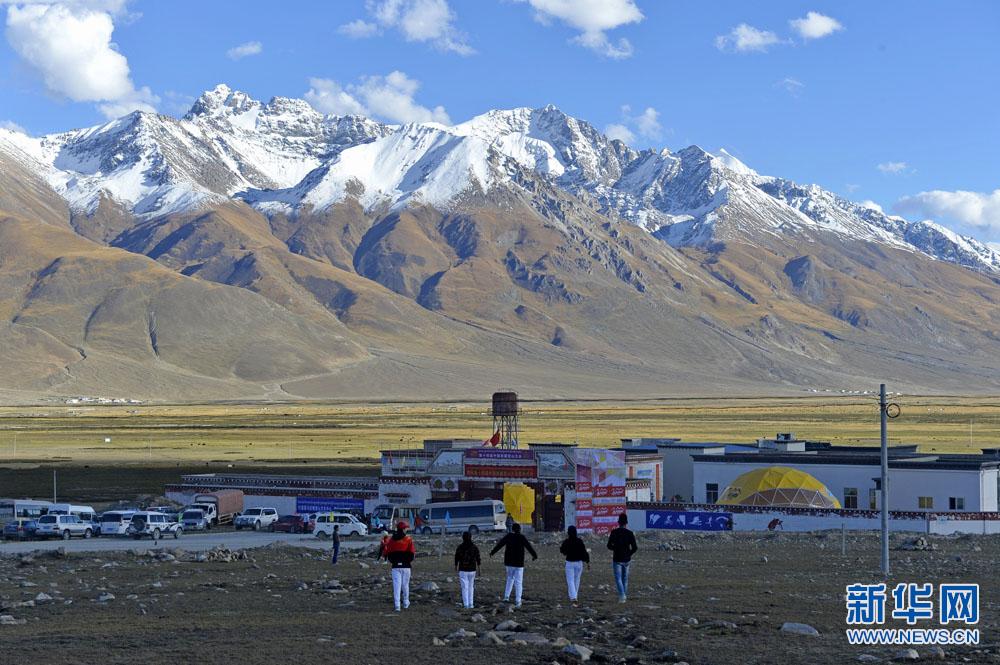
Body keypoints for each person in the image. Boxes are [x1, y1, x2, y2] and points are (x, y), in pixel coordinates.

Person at [489, 522, 537, 608]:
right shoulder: (522, 537)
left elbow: (500, 544)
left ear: (512, 529)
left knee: (510, 579)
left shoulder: (509, 536)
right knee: (518, 582)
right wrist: (534, 555)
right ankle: (518, 601)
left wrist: (493, 552)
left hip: (509, 562)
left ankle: (506, 597)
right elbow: (529, 547)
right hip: (519, 563)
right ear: (519, 529)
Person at [382, 521, 416, 611]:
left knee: (396, 586)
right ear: (404, 529)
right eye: (406, 528)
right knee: (405, 585)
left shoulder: (392, 540)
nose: (407, 529)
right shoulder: (408, 539)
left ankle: (397, 605)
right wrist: (408, 560)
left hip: (395, 566)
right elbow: (412, 553)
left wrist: (392, 560)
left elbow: (387, 552)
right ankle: (405, 602)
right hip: (406, 566)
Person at [606, 513, 638, 603]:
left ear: (618, 522)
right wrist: (629, 554)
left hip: (617, 558)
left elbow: (608, 545)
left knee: (618, 578)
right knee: (625, 579)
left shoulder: (614, 532)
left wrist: (615, 549)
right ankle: (624, 596)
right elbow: (635, 547)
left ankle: (622, 595)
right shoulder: (630, 533)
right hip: (627, 559)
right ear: (626, 523)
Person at [559, 525, 590, 606]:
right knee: (577, 580)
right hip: (579, 563)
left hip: (569, 563)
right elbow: (584, 552)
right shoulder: (580, 541)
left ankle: (573, 598)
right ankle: (574, 596)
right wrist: (588, 562)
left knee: (570, 581)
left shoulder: (566, 541)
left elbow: (562, 551)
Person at [454, 531, 481, 609]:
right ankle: (471, 604)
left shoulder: (460, 547)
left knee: (464, 587)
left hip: (462, 570)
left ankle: (466, 604)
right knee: (471, 587)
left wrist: (456, 566)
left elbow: (456, 557)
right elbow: (478, 558)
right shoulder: (474, 547)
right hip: (472, 570)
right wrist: (479, 569)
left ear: (463, 538)